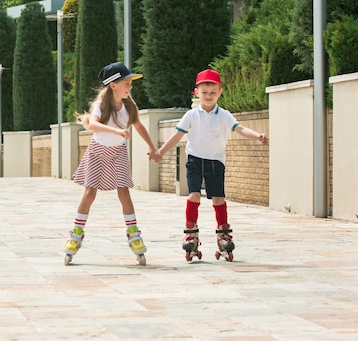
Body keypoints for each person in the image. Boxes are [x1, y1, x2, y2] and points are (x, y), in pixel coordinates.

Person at [154, 69, 268, 262]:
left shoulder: (223, 115)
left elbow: (239, 128)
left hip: (216, 162)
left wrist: (257, 135)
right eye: (204, 92)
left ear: (220, 92)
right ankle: (191, 231)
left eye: (213, 92)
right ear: (196, 92)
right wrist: (161, 151)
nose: (208, 96)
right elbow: (177, 136)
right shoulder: (191, 115)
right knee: (194, 195)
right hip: (195, 160)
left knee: (218, 198)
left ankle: (223, 233)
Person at [63, 62, 158, 266]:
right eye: (126, 82)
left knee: (124, 191)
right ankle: (76, 235)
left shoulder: (129, 105)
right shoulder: (101, 105)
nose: (129, 86)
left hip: (118, 152)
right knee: (90, 193)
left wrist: (152, 146)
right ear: (113, 85)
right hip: (98, 151)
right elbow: (93, 124)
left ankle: (134, 235)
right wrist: (117, 131)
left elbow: (138, 125)